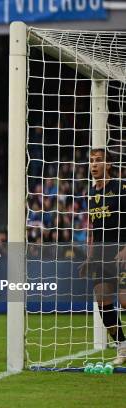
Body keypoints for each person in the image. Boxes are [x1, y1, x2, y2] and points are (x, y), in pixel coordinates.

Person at [79, 149, 126, 365]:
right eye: (91, 161)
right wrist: (90, 257)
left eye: (98, 161)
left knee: (124, 302)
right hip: (101, 255)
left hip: (121, 252)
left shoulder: (121, 188)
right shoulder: (91, 194)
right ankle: (123, 349)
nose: (94, 165)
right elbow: (94, 230)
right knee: (102, 301)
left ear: (108, 165)